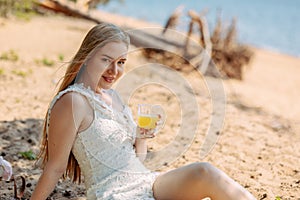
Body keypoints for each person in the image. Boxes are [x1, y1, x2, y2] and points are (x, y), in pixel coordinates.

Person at [30, 22, 256, 200]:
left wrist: (139, 138)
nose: (114, 70)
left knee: (205, 173)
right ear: (87, 58)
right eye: (106, 60)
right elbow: (55, 168)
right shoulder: (72, 102)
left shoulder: (114, 97)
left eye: (121, 62)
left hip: (146, 182)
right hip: (114, 194)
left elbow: (135, 161)